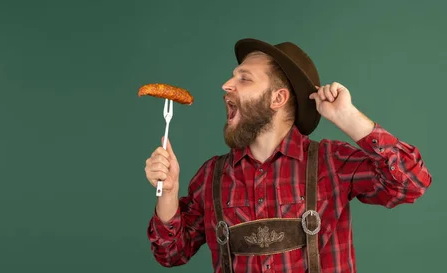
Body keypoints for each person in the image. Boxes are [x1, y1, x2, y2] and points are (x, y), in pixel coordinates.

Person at [144, 38, 432, 273]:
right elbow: (170, 254)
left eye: (244, 79)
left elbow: (411, 183)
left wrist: (347, 117)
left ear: (278, 98)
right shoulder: (211, 176)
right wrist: (168, 193)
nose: (226, 86)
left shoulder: (332, 162)